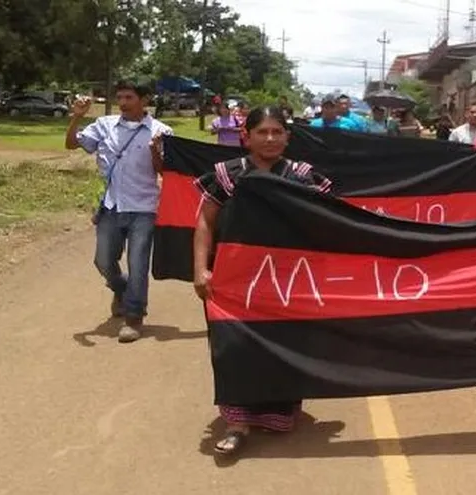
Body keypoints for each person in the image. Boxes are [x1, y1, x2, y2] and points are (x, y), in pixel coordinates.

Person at [193, 106, 332, 456]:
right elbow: (205, 222)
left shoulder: (303, 176)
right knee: (233, 346)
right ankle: (236, 421)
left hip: (288, 282)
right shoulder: (228, 174)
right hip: (235, 281)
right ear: (247, 136)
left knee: (285, 345)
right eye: (262, 132)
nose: (270, 139)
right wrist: (200, 270)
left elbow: (332, 222)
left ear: (288, 136)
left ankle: (277, 411)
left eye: (277, 132)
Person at [64, 80, 173, 343]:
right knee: (103, 261)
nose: (123, 103)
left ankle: (134, 318)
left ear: (144, 100)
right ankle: (121, 290)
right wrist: (76, 119)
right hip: (111, 206)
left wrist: (156, 152)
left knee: (138, 265)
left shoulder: (162, 131)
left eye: (129, 97)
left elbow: (165, 172)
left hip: (144, 208)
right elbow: (71, 145)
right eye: (121, 97)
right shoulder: (104, 126)